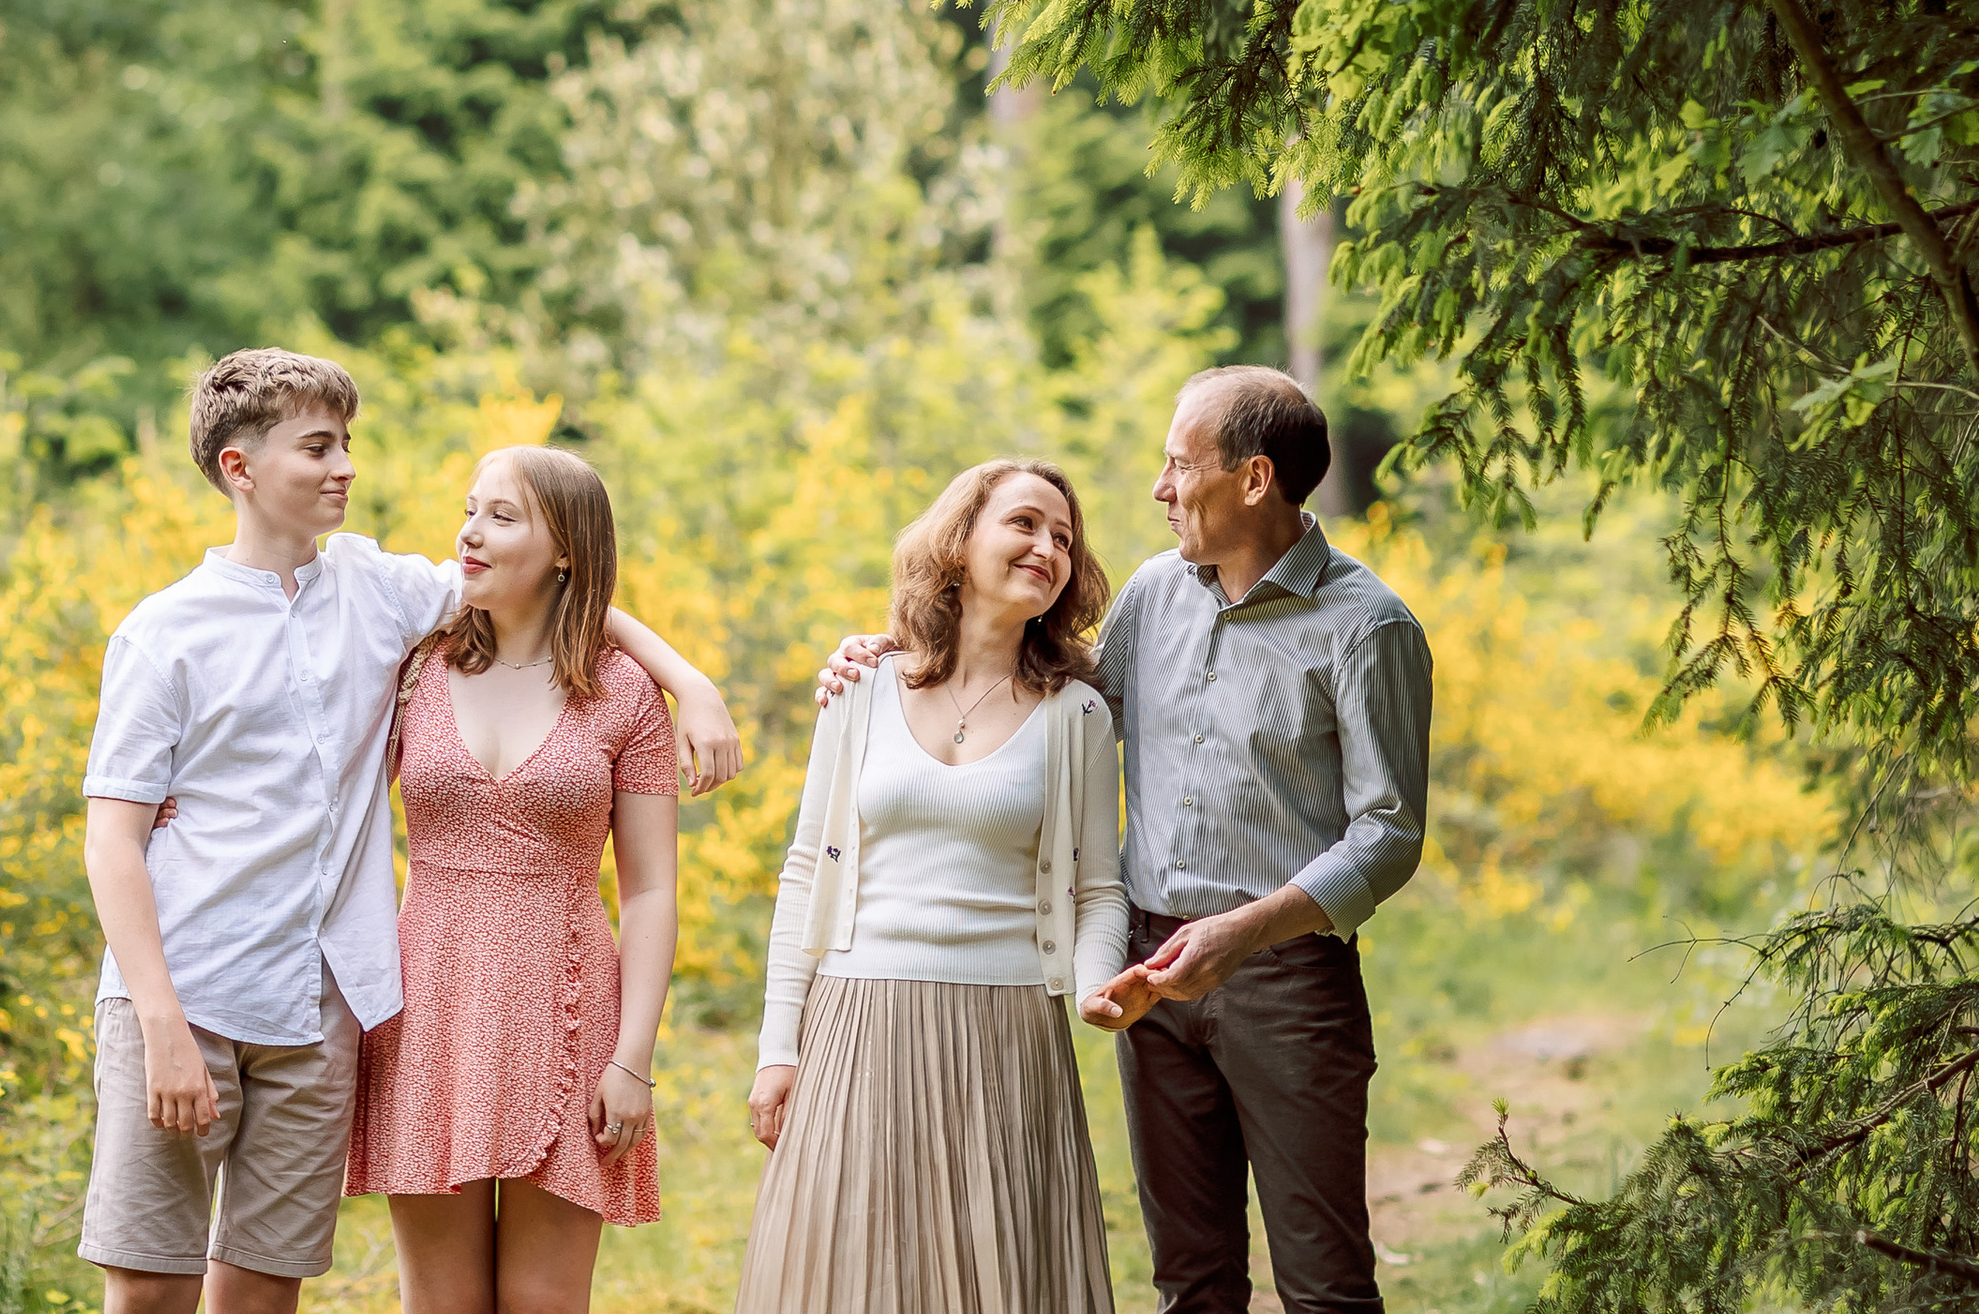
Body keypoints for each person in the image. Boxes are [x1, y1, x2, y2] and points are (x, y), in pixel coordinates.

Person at [77, 350, 739, 1314]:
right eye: (318, 446)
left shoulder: (378, 597)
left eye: (348, 443)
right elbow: (114, 835)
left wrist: (692, 681)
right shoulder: (183, 633)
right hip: (232, 989)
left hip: (330, 1006)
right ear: (239, 468)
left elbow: (553, 590)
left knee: (263, 1288)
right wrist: (158, 1011)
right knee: (150, 1287)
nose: (345, 465)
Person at [823, 366, 1433, 1314]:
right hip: (1151, 970)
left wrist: (1245, 931)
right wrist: (892, 658)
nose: (1157, 489)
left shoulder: (1367, 626)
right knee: (1190, 1281)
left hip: (1286, 983)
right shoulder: (1154, 594)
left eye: (1178, 465)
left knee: (1325, 1284)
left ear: (1255, 479)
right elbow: (1046, 706)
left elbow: (1389, 834)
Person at [739, 460, 1132, 1314]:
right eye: (1025, 524)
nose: (1047, 547)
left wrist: (1098, 986)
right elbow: (807, 868)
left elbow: (1098, 889)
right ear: (958, 543)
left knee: (996, 1273)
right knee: (852, 1269)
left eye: (1063, 538)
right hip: (857, 1019)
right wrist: (779, 1044)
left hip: (1009, 1025)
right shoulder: (860, 688)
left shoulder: (1080, 715)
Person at [350, 444, 679, 1314]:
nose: (470, 532)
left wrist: (634, 1058)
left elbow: (650, 890)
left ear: (565, 548)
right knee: (441, 1301)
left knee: (543, 1301)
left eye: (503, 516)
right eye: (470, 510)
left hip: (566, 1008)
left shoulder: (625, 694)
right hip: (428, 1004)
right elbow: (319, 788)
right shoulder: (416, 665)